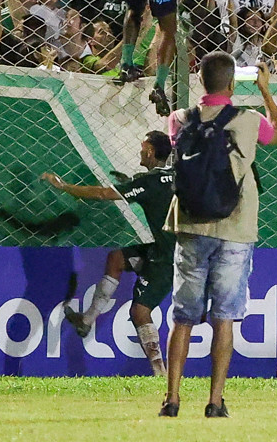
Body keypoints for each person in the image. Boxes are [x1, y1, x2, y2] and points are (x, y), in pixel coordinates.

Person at [160, 52, 277, 418]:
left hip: (189, 224)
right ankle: (215, 401)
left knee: (183, 316)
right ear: (233, 83)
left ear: (200, 82)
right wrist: (264, 90)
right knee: (225, 317)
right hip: (236, 225)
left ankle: (172, 398)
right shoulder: (248, 121)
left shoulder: (179, 119)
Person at [44, 130, 174, 375]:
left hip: (167, 256)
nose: (140, 150)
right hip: (173, 248)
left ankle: (160, 372)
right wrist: (130, 185)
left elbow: (104, 194)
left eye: (142, 146)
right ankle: (87, 320)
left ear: (150, 152)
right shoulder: (175, 175)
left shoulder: (147, 183)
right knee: (116, 258)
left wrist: (64, 187)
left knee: (140, 311)